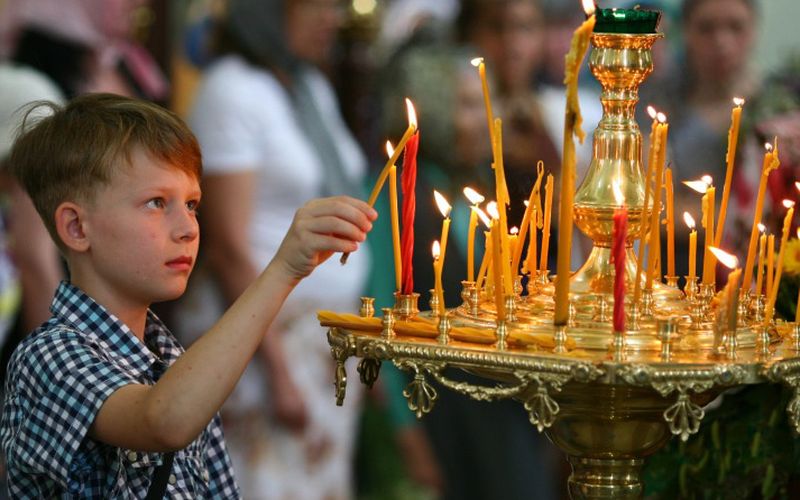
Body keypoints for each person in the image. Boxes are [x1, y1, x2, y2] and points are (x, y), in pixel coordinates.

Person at [0, 93, 375, 498]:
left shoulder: (170, 358)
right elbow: (163, 421)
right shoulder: (49, 356)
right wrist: (282, 271)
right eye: (156, 203)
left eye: (192, 204)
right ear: (76, 228)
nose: (188, 228)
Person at [172, 0, 370, 497]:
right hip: (267, 337)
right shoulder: (231, 90)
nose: (332, 18)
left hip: (322, 339)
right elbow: (228, 246)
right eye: (318, 7)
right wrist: (278, 371)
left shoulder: (308, 86)